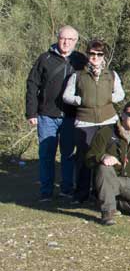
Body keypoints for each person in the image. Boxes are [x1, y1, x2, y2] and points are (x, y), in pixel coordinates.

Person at [25, 25, 86, 201]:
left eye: (71, 39)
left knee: (68, 155)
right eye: (63, 38)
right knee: (46, 154)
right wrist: (31, 113)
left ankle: (66, 189)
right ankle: (46, 192)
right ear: (57, 38)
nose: (66, 42)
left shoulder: (80, 60)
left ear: (76, 41)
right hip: (46, 115)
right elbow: (32, 85)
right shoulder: (45, 59)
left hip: (70, 116)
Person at [62, 39, 125, 203]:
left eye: (99, 54)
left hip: (108, 120)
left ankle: (103, 194)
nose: (95, 57)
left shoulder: (111, 75)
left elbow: (120, 94)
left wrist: (107, 98)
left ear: (104, 56)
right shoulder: (78, 75)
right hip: (85, 122)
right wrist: (81, 100)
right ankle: (81, 194)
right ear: (87, 54)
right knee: (85, 159)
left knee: (107, 158)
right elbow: (66, 96)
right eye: (92, 53)